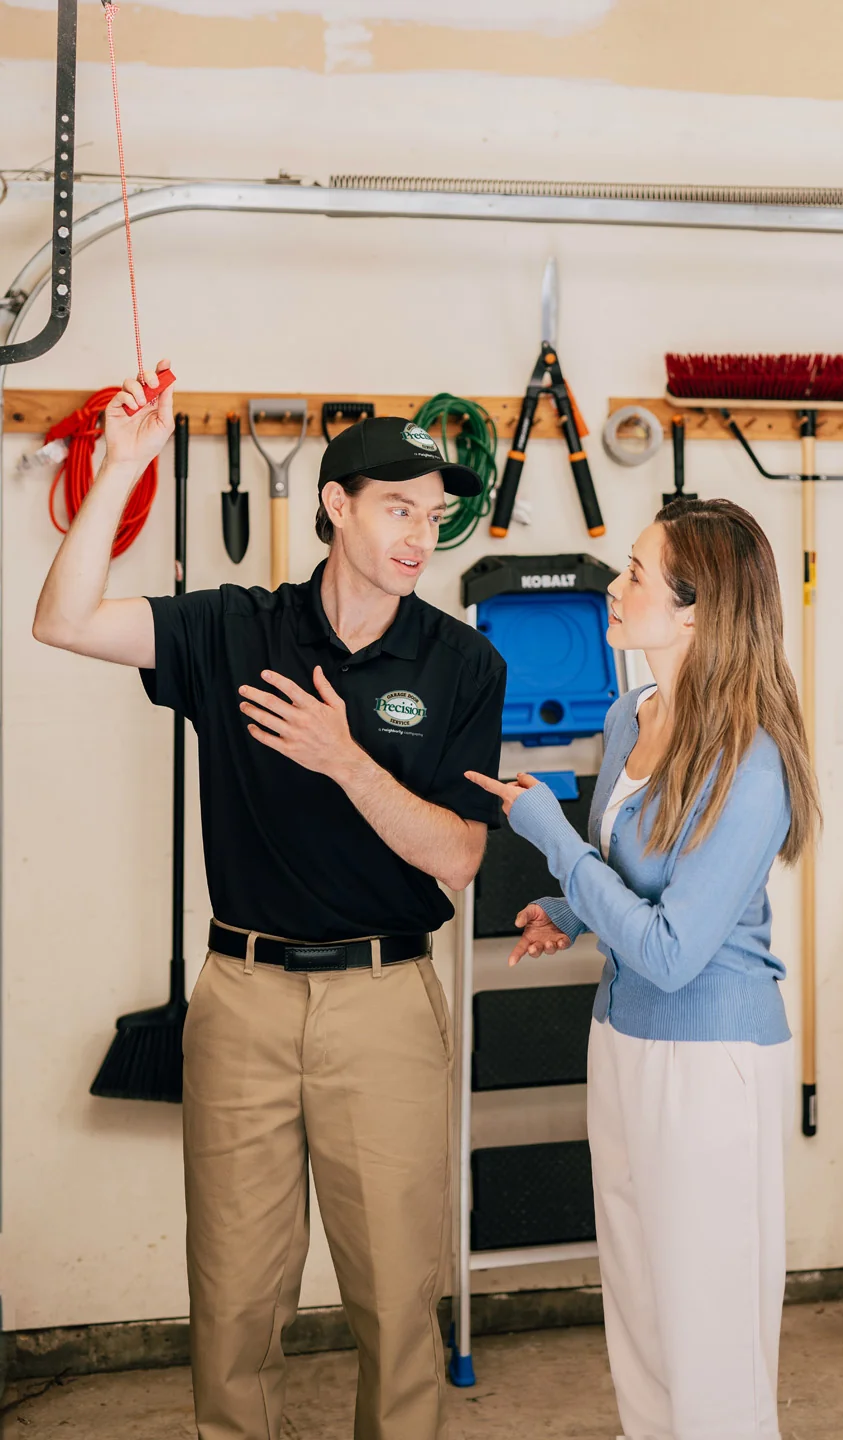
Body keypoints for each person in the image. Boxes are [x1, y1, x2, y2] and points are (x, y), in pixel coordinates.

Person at [34, 363, 507, 1440]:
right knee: (237, 1300)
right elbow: (61, 621)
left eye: (432, 517)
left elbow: (462, 857)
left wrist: (346, 760)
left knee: (396, 1301)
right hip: (240, 1000)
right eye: (397, 509)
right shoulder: (232, 630)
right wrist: (117, 470)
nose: (418, 536)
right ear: (336, 507)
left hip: (387, 1005)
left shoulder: (462, 663)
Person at [467, 497, 820, 1440]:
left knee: (707, 1328)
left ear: (698, 610)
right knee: (639, 1303)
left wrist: (549, 841)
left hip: (708, 1060)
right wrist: (569, 908)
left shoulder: (752, 763)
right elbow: (635, 885)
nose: (613, 589)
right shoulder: (633, 714)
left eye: (633, 574)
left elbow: (671, 951)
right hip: (619, 1040)